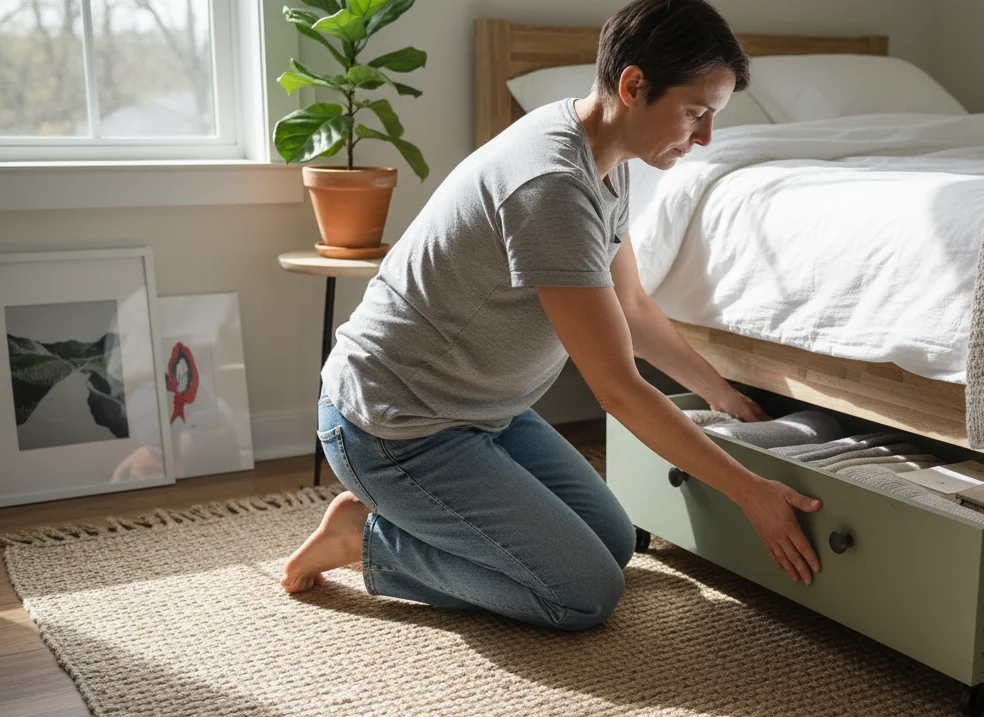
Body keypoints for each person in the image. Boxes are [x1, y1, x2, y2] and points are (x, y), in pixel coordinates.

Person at [281, 0, 822, 631]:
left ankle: (408, 519)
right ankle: (366, 541)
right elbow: (617, 389)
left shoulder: (607, 162)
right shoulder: (553, 186)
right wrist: (751, 492)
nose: (705, 138)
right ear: (633, 85)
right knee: (581, 594)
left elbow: (633, 309)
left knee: (614, 542)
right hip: (394, 425)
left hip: (484, 412)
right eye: (696, 113)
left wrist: (724, 396)